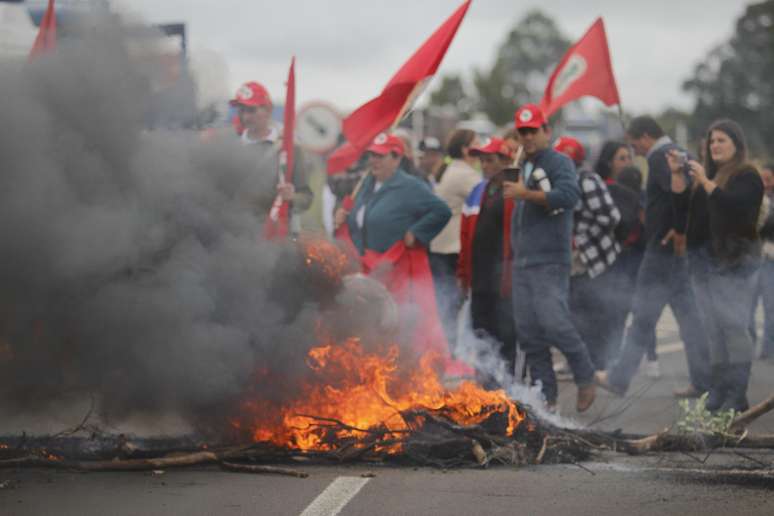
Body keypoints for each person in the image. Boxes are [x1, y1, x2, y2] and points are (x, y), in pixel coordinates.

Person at [596, 116, 711, 398]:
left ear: (646, 136)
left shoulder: (662, 156)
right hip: (674, 253)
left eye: (634, 143)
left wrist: (678, 228)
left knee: (643, 316)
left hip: (661, 251)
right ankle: (704, 379)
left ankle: (619, 378)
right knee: (690, 319)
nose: (635, 149)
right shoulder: (677, 153)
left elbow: (682, 193)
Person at [503, 104, 596, 412]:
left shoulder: (559, 162)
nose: (527, 138)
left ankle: (585, 375)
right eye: (522, 132)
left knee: (554, 322)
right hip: (524, 260)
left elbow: (570, 196)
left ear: (546, 131)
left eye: (533, 131)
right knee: (529, 333)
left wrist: (525, 194)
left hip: (549, 259)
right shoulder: (523, 163)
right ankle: (547, 397)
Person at [669, 120, 763, 412]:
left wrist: (707, 183)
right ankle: (719, 390)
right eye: (712, 142)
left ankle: (738, 393)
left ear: (737, 144)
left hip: (734, 261)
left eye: (722, 140)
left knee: (734, 326)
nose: (715, 146)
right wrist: (678, 175)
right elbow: (684, 211)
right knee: (713, 329)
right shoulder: (709, 175)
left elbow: (736, 209)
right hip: (704, 262)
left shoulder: (747, 176)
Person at [555, 137, 622, 372]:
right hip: (572, 259)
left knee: (593, 311)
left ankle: (598, 363)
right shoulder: (557, 182)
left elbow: (611, 217)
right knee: (573, 311)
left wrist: (582, 233)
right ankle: (578, 361)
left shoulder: (587, 181)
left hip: (593, 259)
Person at [457, 137, 517, 388]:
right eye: (482, 160)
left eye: (490, 160)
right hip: (479, 282)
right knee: (481, 338)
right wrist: (463, 276)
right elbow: (465, 236)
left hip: (505, 284)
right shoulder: (477, 192)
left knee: (505, 342)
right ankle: (485, 394)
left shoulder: (515, 189)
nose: (485, 165)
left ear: (505, 161)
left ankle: (511, 398)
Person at [230, 81, 312, 232]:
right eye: (241, 110)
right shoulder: (231, 148)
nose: (245, 116)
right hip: (237, 236)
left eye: (251, 110)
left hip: (275, 237)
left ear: (268, 109)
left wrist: (291, 197)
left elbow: (306, 198)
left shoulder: (290, 148)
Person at [429, 129, 481, 349]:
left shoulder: (455, 170)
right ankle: (450, 354)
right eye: (476, 145)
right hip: (451, 249)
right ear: (465, 149)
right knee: (451, 306)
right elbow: (487, 194)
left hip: (443, 248)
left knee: (448, 306)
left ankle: (448, 353)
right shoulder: (464, 175)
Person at [756, 164, 774, 360]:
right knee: (747, 306)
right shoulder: (757, 199)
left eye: (768, 179)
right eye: (762, 179)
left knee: (770, 306)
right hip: (754, 258)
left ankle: (768, 349)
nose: (765, 184)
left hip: (770, 258)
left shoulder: (767, 202)